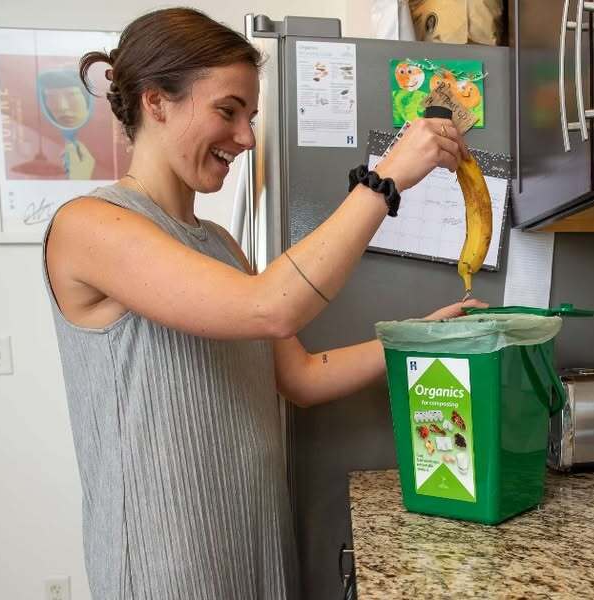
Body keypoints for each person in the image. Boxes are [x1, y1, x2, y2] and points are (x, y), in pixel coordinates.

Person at [42, 7, 483, 598]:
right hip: (165, 562)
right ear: (156, 102)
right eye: (228, 111)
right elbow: (271, 306)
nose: (247, 138)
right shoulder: (89, 226)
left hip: (252, 542)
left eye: (249, 117)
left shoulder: (221, 245)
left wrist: (417, 337)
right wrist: (385, 180)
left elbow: (298, 376)